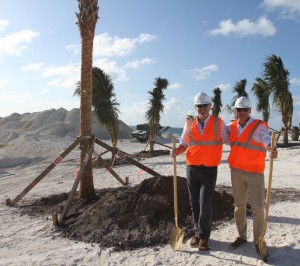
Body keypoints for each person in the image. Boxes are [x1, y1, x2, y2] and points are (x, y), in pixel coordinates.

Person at [170, 92, 227, 251]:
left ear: (210, 106)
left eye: (205, 105)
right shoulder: (188, 124)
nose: (202, 108)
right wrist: (177, 151)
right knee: (194, 203)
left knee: (205, 203)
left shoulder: (218, 123)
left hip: (209, 169)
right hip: (192, 168)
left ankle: (204, 237)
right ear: (195, 107)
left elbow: (231, 138)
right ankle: (197, 233)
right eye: (199, 106)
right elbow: (184, 144)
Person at [225, 96, 278, 254]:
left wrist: (270, 148)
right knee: (239, 206)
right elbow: (218, 132)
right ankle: (242, 236)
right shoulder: (232, 126)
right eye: (239, 110)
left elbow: (265, 137)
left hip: (255, 173)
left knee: (258, 208)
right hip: (237, 171)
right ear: (235, 111)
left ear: (250, 111)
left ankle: (258, 239)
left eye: (245, 110)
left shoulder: (258, 125)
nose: (242, 112)